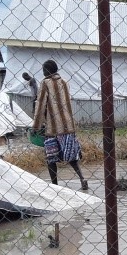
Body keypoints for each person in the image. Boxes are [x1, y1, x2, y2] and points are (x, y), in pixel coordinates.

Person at [32, 59, 88, 190]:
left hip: (52, 127)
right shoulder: (65, 82)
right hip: (68, 126)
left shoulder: (45, 83)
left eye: (43, 69)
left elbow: (40, 106)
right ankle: (82, 178)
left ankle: (55, 186)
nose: (43, 72)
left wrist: (36, 126)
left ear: (47, 70)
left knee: (51, 158)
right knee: (72, 157)